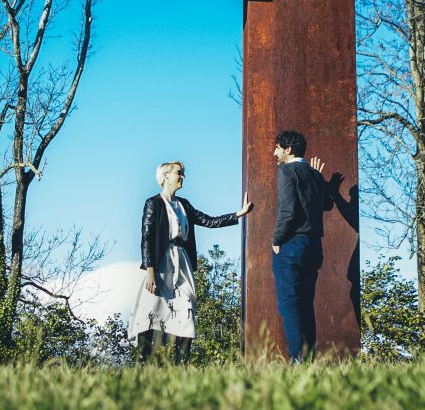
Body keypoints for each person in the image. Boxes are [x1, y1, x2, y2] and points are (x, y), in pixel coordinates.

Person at [127, 160, 253, 363]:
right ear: (165, 176)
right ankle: (143, 362)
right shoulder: (153, 203)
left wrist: (239, 213)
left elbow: (208, 221)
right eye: (179, 173)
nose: (182, 177)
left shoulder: (183, 204)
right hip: (160, 263)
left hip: (182, 263)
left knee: (185, 309)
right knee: (151, 309)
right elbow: (147, 238)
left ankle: (182, 364)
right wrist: (150, 270)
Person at [271, 130, 326, 363]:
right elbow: (328, 204)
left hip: (291, 245)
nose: (275, 153)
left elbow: (288, 209)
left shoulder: (286, 170)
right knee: (306, 305)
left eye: (277, 148)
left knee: (289, 304)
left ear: (288, 149)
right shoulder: (315, 175)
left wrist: (276, 239)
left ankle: (297, 360)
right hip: (314, 247)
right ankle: (309, 360)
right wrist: (319, 180)